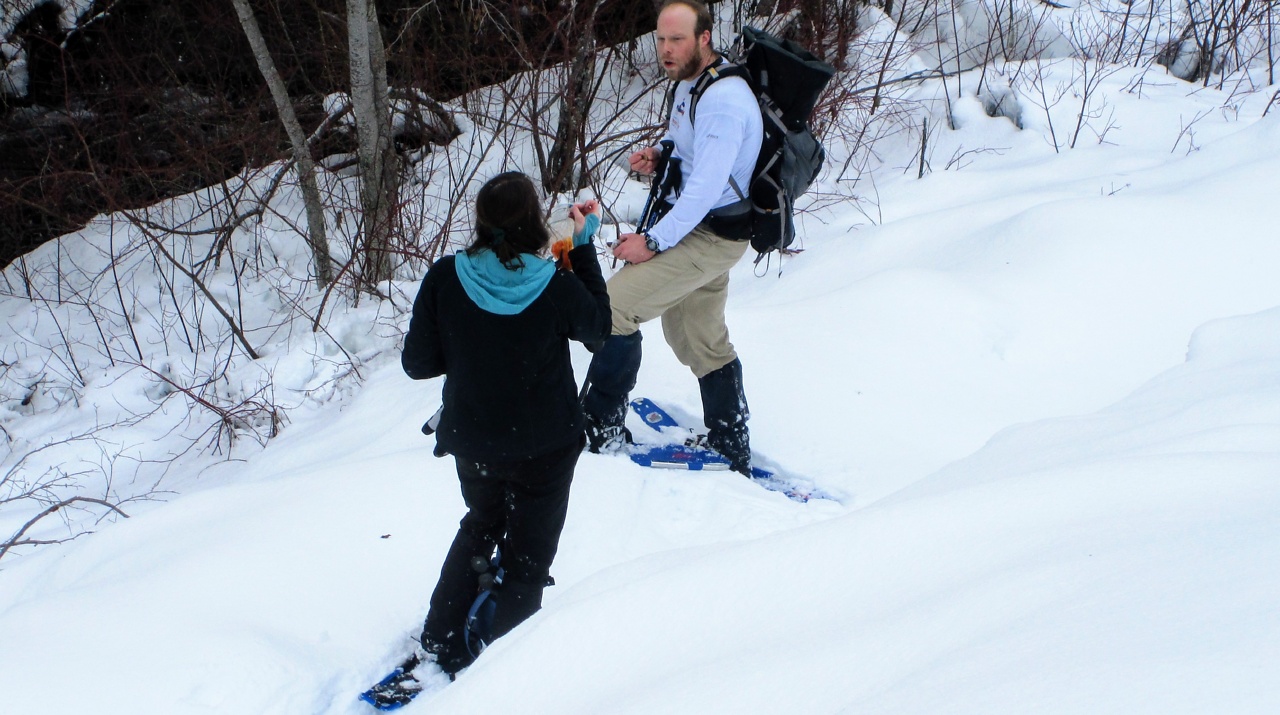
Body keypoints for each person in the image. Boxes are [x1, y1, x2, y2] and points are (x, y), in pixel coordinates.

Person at [398, 172, 610, 685]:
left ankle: (441, 640)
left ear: (479, 221)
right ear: (538, 222)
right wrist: (582, 250)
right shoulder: (554, 282)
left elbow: (418, 364)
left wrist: (471, 346)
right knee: (527, 560)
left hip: (473, 440)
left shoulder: (445, 276)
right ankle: (499, 679)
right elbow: (598, 331)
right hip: (546, 447)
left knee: (482, 521)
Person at [581, 0, 763, 475]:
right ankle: (730, 437)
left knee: (615, 307)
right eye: (660, 39)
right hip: (702, 227)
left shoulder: (723, 100)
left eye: (676, 39)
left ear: (704, 37)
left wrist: (653, 242)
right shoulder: (692, 82)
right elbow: (687, 146)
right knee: (693, 333)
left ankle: (596, 427)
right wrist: (661, 153)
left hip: (710, 234)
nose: (666, 49)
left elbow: (705, 187)